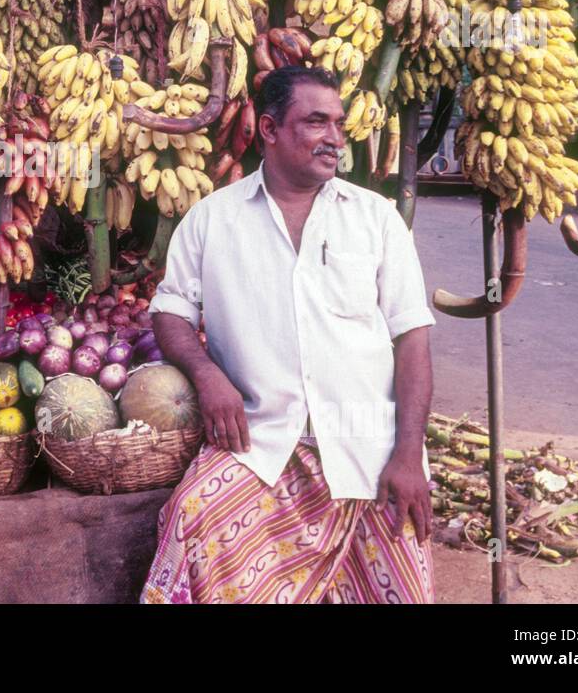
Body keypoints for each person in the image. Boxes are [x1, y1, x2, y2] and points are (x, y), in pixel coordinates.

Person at [140, 65, 436, 604]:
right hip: (262, 441)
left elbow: (412, 338)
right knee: (191, 521)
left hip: (367, 446)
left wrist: (409, 455)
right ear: (271, 130)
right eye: (316, 122)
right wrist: (205, 374)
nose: (335, 138)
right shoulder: (212, 220)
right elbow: (170, 311)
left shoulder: (376, 218)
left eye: (339, 124)